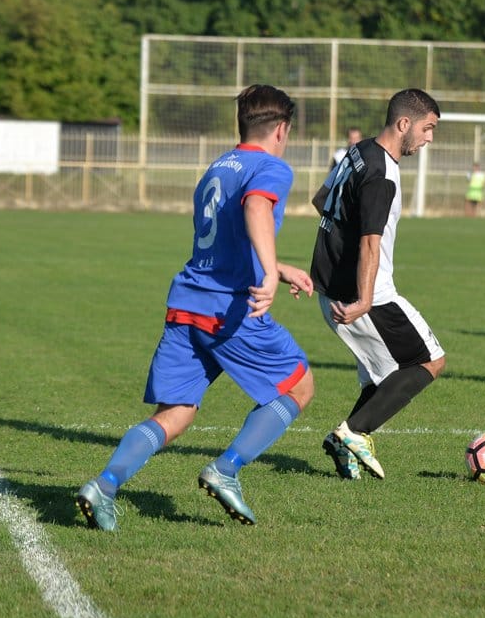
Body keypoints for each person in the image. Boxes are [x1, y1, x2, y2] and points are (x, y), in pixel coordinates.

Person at [76, 85, 315, 531]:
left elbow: (226, 238)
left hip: (186, 302)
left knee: (177, 412)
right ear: (282, 129)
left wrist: (279, 268)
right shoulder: (271, 167)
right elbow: (257, 208)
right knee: (299, 386)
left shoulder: (218, 167)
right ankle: (227, 468)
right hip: (226, 309)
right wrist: (268, 273)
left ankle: (104, 485)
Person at [312, 88, 444, 479]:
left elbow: (321, 200)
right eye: (427, 128)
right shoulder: (382, 173)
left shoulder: (358, 152)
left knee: (383, 374)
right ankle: (352, 432)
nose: (429, 138)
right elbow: (370, 241)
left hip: (331, 288)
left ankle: (344, 443)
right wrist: (366, 300)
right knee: (430, 361)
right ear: (404, 124)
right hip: (366, 296)